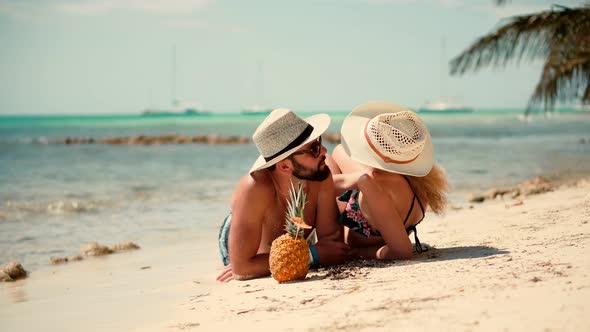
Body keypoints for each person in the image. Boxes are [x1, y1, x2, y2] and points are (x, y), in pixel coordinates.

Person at [216, 108, 350, 282]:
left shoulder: (320, 175)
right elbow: (243, 267)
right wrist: (313, 255)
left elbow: (332, 245)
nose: (324, 150)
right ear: (285, 166)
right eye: (313, 149)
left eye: (319, 142)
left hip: (289, 247)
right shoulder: (255, 188)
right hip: (243, 238)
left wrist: (317, 253)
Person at [326, 101, 448, 260]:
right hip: (400, 223)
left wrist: (357, 253)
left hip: (369, 238)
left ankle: (331, 237)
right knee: (340, 150)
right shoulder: (419, 175)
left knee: (327, 161)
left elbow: (402, 252)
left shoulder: (375, 182)